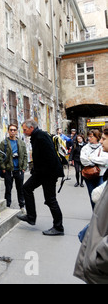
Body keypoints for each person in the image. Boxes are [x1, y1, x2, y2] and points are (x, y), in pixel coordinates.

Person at [17, 119, 65, 236]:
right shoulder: (36, 136)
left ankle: (58, 227)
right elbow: (40, 156)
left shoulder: (41, 136)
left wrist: (40, 172)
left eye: (25, 129)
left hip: (48, 173)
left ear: (31, 128)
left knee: (50, 200)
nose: (23, 132)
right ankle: (31, 217)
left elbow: (50, 157)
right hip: (42, 172)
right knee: (27, 188)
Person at [73, 127, 108, 284]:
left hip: (100, 263)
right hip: (89, 175)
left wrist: (99, 256)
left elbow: (104, 161)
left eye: (103, 139)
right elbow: (83, 159)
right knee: (95, 200)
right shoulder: (86, 148)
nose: (100, 141)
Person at [0, 124, 28, 211]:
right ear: (8, 131)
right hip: (8, 170)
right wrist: (3, 168)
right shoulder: (4, 143)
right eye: (11, 130)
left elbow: (25, 156)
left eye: (14, 130)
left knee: (20, 189)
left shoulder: (21, 143)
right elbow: (0, 156)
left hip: (19, 170)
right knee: (8, 189)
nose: (12, 131)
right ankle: (7, 205)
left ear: (17, 131)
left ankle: (22, 205)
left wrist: (24, 167)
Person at [80, 129, 108, 210]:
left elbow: (106, 160)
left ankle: (102, 215)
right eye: (88, 136)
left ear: (96, 137)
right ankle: (95, 214)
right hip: (88, 175)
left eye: (91, 136)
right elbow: (83, 161)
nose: (89, 138)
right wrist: (96, 160)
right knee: (93, 196)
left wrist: (91, 158)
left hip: (101, 175)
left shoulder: (103, 147)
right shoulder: (85, 148)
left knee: (101, 196)